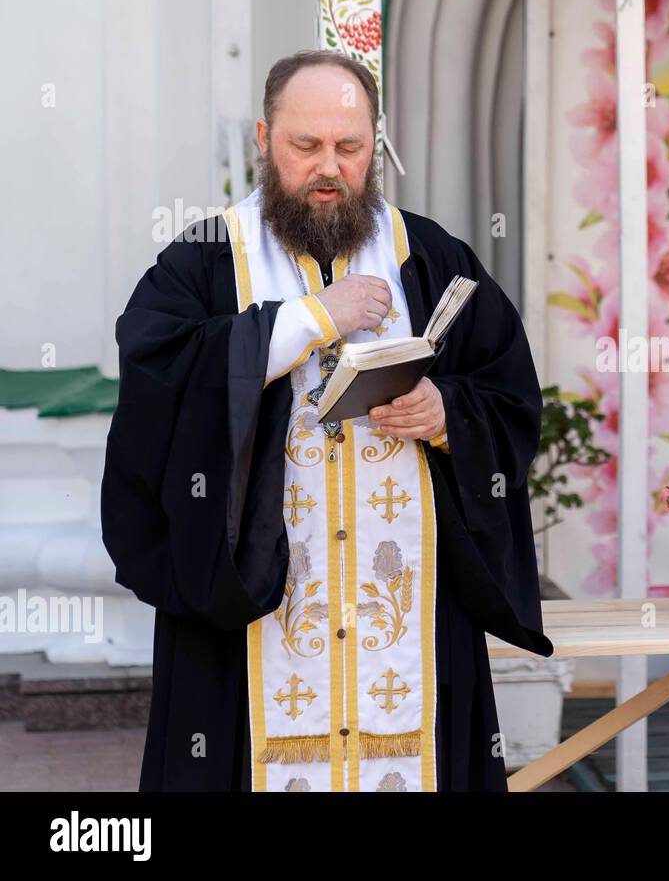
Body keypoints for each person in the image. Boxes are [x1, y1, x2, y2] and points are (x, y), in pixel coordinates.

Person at [101, 50, 552, 792]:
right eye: (304, 146)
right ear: (262, 137)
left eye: (349, 147)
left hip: (409, 620)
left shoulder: (430, 257)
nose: (328, 169)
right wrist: (309, 319)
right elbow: (159, 382)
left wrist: (447, 414)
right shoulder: (205, 260)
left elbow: (509, 395)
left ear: (376, 142)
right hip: (250, 616)